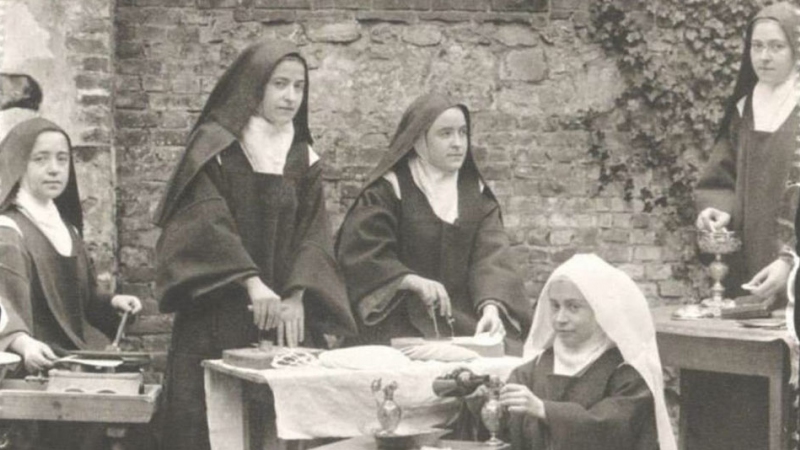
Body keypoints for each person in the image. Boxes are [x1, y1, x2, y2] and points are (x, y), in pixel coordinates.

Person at [153, 40, 357, 450]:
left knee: (283, 428)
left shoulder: (302, 156)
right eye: (279, 84)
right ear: (254, 86)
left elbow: (314, 233)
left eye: (299, 86)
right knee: (207, 427)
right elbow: (204, 222)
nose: (290, 96)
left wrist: (297, 294)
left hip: (282, 315)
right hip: (217, 310)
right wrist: (250, 280)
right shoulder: (215, 147)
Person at [336, 93, 530, 355]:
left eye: (463, 133)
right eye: (445, 134)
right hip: (396, 321)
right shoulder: (388, 190)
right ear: (419, 140)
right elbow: (362, 255)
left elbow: (492, 258)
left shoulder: (477, 196)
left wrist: (491, 308)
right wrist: (410, 280)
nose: (457, 143)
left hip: (463, 323)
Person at [692, 4, 799, 449]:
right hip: (744, 271)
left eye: (777, 46)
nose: (765, 56)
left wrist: (791, 263)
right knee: (734, 393)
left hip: (792, 276)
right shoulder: (744, 108)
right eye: (757, 46)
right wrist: (716, 211)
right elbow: (721, 177)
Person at [0, 117, 143, 449]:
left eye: (62, 159)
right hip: (32, 370)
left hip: (70, 363)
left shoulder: (68, 230)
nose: (54, 169)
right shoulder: (7, 230)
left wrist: (111, 303)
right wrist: (21, 343)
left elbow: (82, 301)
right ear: (18, 165)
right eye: (40, 159)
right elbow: (2, 301)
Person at [495, 253, 676, 450]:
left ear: (601, 311)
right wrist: (483, 401)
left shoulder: (628, 375)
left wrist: (544, 409)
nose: (560, 318)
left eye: (573, 307)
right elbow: (500, 432)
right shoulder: (532, 370)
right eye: (555, 306)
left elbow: (612, 428)